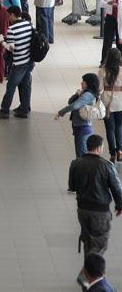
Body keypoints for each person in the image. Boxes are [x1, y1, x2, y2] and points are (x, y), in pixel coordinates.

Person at [68, 135, 122, 288]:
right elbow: (117, 188)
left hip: (82, 210)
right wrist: (120, 205)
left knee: (88, 241)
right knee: (99, 243)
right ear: (99, 148)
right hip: (100, 211)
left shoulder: (76, 163)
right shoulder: (106, 165)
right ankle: (85, 275)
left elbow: (71, 186)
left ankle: (89, 277)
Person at [0, 7, 35, 119]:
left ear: (12, 15)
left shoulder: (11, 29)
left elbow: (11, 48)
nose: (8, 18)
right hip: (29, 61)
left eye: (8, 16)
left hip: (19, 63)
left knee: (11, 86)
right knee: (26, 86)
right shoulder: (28, 24)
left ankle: (4, 110)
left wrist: (1, 41)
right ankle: (25, 109)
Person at [56, 73, 102, 157]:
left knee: (82, 156)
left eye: (83, 81)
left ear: (88, 83)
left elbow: (74, 105)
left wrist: (61, 112)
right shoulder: (85, 93)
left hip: (83, 129)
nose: (81, 83)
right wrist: (77, 94)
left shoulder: (88, 95)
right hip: (80, 127)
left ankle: (83, 170)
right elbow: (70, 102)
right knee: (80, 155)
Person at [100, 49, 122, 162]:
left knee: (110, 129)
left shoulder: (103, 70)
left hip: (107, 103)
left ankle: (112, 153)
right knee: (119, 127)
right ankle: (120, 150)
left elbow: (99, 88)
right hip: (120, 103)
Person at [100, 0, 122, 64]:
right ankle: (104, 61)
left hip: (120, 18)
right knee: (107, 41)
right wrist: (108, 3)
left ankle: (119, 61)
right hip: (110, 18)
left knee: (119, 41)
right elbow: (101, 4)